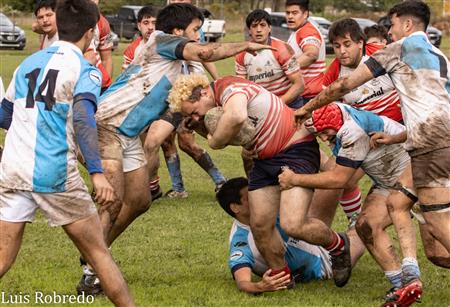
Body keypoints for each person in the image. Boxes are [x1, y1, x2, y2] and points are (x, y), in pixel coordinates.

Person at [76, 3, 273, 294]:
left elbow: (190, 111)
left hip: (127, 135)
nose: (199, 37)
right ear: (179, 31)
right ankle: (91, 272)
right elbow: (205, 52)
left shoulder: (180, 68)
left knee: (141, 200)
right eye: (196, 30)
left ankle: (96, 248)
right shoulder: (160, 41)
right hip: (105, 124)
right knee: (114, 200)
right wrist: (247, 44)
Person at [0, 0, 134, 306]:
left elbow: (4, 116)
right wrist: (98, 173)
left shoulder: (27, 65)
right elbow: (84, 118)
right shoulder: (86, 70)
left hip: (12, 168)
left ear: (57, 25)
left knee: (2, 258)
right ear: (90, 33)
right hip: (53, 172)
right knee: (98, 254)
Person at [295, 0, 450, 257]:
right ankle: (405, 274)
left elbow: (341, 88)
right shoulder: (440, 56)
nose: (389, 31)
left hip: (428, 147)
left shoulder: (395, 51)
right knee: (398, 209)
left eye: (393, 24)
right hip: (417, 143)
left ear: (408, 24)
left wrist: (305, 109)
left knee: (435, 226)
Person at [168, 74, 353, 289]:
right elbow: (234, 134)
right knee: (259, 226)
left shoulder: (229, 87)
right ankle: (282, 277)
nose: (197, 117)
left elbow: (236, 118)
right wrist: (202, 128)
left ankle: (338, 245)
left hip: (295, 149)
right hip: (265, 159)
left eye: (194, 112)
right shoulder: (216, 105)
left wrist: (213, 142)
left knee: (293, 224)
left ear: (204, 93)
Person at [279, 103, 423, 306]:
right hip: (387, 182)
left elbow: (340, 180)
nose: (322, 138)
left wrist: (295, 179)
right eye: (318, 134)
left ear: (333, 123)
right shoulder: (335, 114)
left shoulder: (351, 130)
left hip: (416, 171)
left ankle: (411, 274)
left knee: (438, 252)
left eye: (324, 132)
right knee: (365, 226)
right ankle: (402, 286)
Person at [217, 177, 364, 294]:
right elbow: (243, 282)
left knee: (335, 176)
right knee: (364, 229)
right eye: (250, 196)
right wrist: (261, 287)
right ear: (235, 207)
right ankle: (359, 218)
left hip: (310, 230)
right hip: (324, 263)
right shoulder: (241, 241)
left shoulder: (265, 205)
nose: (257, 197)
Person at [236, 9, 304, 108]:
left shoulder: (282, 49)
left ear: (270, 28)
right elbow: (240, 86)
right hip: (261, 105)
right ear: (249, 30)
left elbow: (299, 85)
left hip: (289, 103)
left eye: (263, 25)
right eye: (254, 26)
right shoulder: (241, 53)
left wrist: (276, 105)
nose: (258, 30)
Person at [285, 0, 325, 108]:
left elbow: (311, 54)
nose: (290, 17)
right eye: (287, 13)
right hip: (304, 94)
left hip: (307, 96)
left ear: (305, 14)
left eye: (294, 13)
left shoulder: (307, 31)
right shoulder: (299, 30)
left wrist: (285, 68)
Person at [122, 6, 157, 71]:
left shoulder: (167, 46)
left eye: (154, 23)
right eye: (146, 23)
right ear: (139, 26)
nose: (150, 27)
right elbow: (125, 78)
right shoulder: (132, 49)